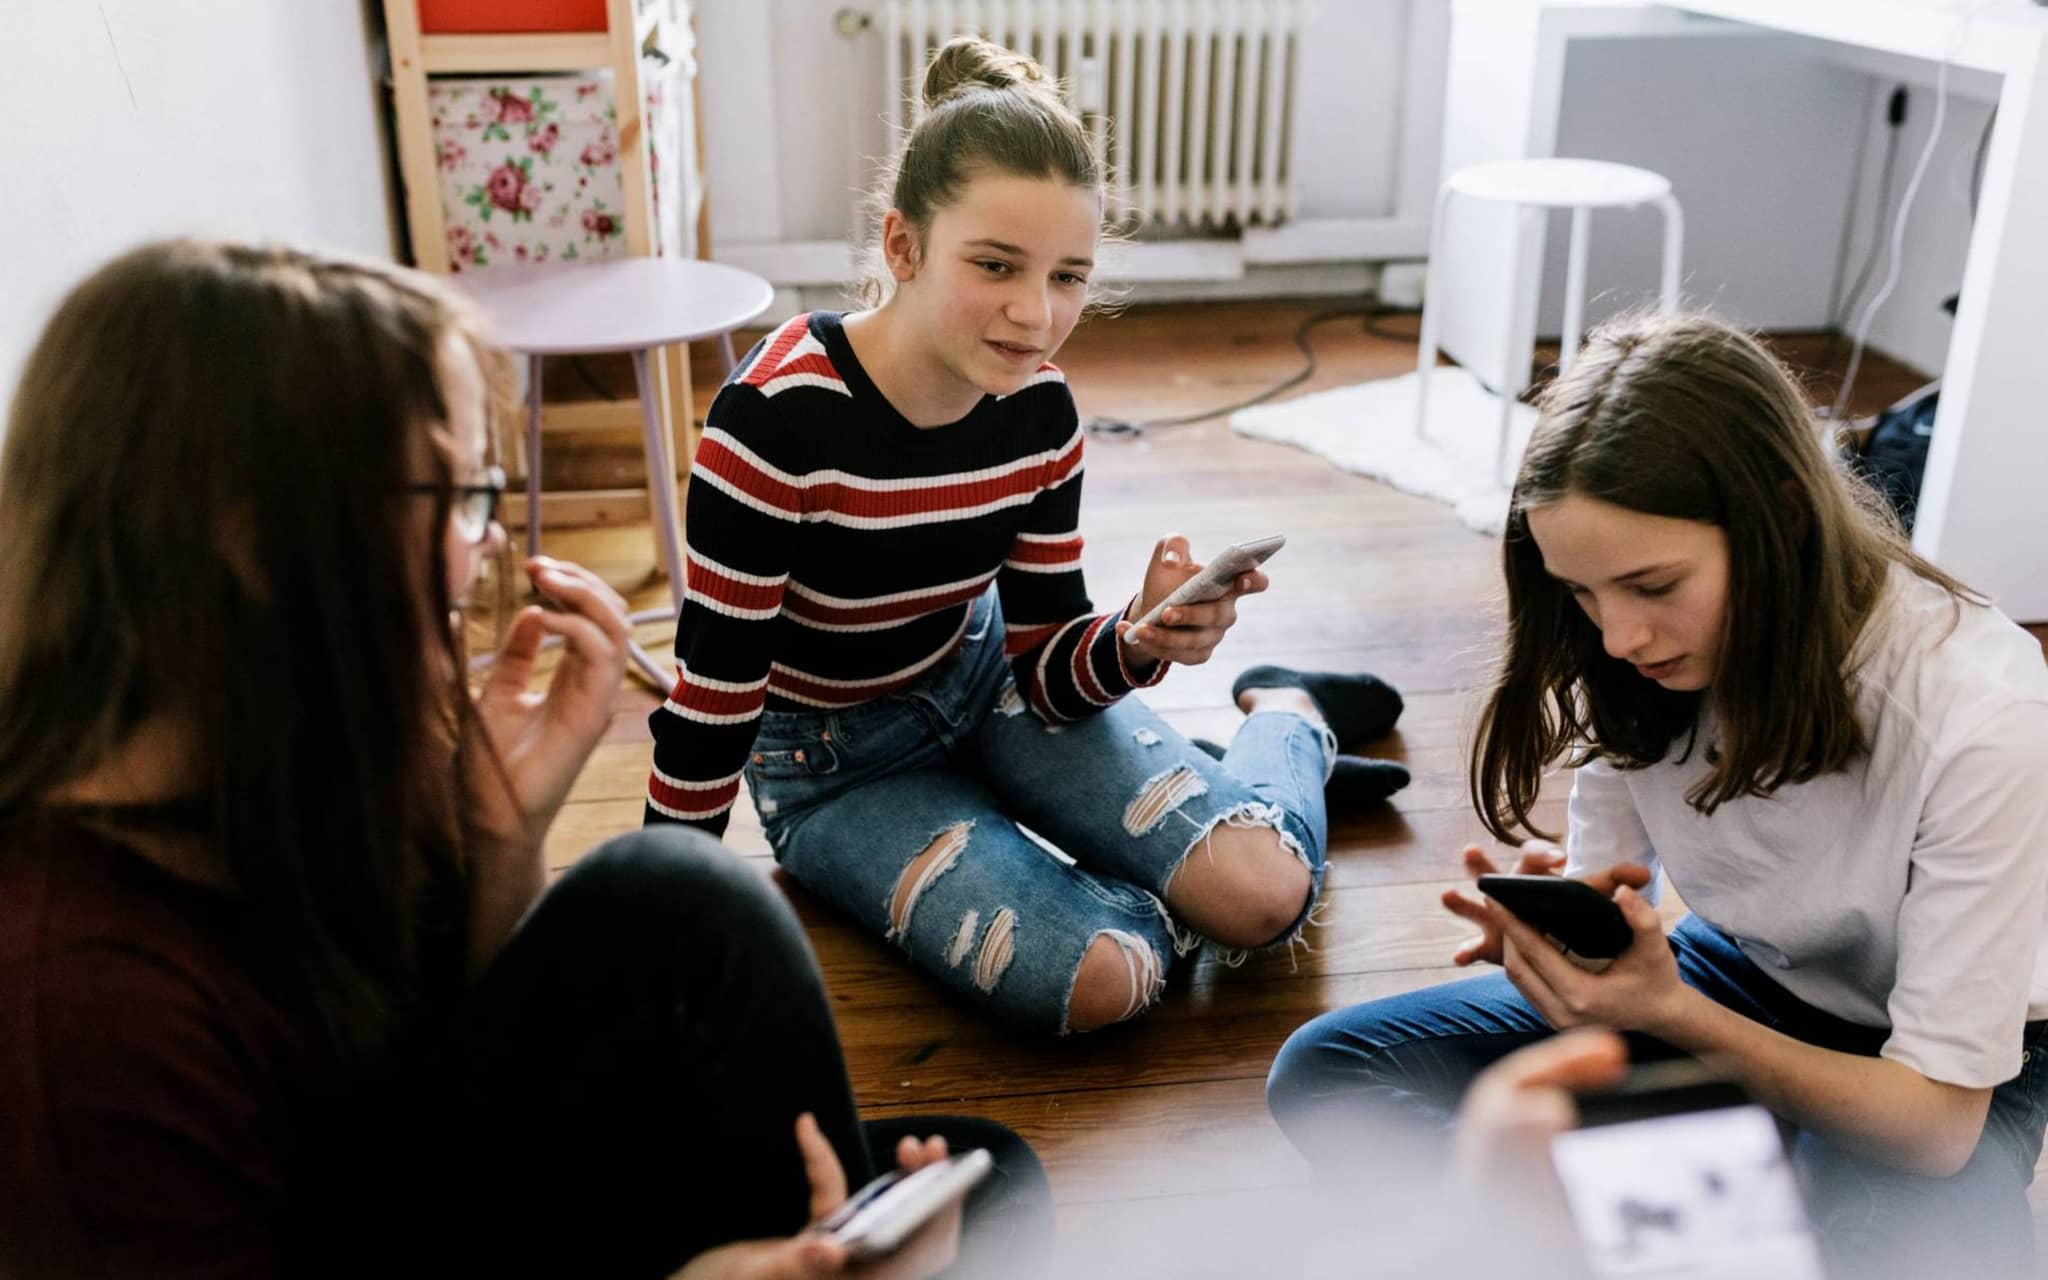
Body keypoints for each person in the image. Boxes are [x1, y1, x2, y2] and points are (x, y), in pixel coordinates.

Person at [0, 240, 1050, 1279]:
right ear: (252, 541)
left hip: (383, 1199)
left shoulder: (263, 765)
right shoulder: (84, 1019)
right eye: (449, 500)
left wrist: (499, 834)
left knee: (972, 1170)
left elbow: (411, 1072)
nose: (486, 548)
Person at [643, 36, 1408, 1037]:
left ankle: (1287, 718)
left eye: (1068, 277)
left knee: (1265, 896)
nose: (1034, 314)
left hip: (986, 685)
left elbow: (1043, 668)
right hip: (833, 766)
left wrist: (1133, 637)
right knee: (1104, 979)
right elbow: (713, 695)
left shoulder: (1040, 413)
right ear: (901, 245)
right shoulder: (773, 419)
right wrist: (659, 932)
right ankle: (1200, 803)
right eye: (996, 265)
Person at [1265, 311, 2048, 1276]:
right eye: (1584, 595)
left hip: (1929, 1076)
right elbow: (1616, 884)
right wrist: (1574, 939)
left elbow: (1935, 1127)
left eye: (1652, 585)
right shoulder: (1639, 657)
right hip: (1741, 976)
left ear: (1782, 523)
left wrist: (1672, 1017)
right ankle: (1667, 1216)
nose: (1618, 637)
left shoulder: (1983, 712)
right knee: (1329, 1073)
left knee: (1929, 1250)